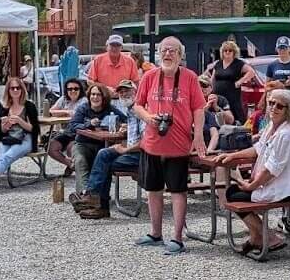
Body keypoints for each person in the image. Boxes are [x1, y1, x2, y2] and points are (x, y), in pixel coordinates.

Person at [132, 36, 207, 255]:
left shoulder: (190, 77)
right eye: (164, 50)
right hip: (152, 143)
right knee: (153, 189)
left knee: (177, 190)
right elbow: (137, 105)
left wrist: (198, 135)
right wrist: (148, 118)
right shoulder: (149, 76)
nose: (167, 54)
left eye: (173, 51)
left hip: (178, 144)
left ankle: (177, 237)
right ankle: (155, 233)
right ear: (158, 54)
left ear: (180, 55)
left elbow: (199, 109)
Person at [213, 88, 290, 258]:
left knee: (234, 194)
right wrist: (232, 155)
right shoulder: (272, 126)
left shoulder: (286, 134)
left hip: (285, 189)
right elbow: (258, 149)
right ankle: (258, 236)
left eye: (280, 106)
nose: (274, 108)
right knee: (234, 192)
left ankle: (267, 237)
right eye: (271, 103)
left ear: (289, 110)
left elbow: (272, 169)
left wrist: (252, 185)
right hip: (274, 183)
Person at [76, 79, 143, 219]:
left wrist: (125, 149)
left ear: (136, 92)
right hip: (129, 150)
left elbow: (147, 141)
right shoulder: (130, 110)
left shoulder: (141, 110)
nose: (124, 94)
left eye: (127, 91)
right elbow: (72, 126)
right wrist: (127, 129)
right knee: (103, 154)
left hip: (143, 155)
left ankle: (98, 203)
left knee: (102, 162)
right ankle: (93, 197)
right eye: (121, 92)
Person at [68, 83, 125, 197]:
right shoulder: (83, 108)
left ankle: (100, 194)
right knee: (80, 160)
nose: (95, 97)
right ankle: (85, 194)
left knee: (104, 158)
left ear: (104, 97)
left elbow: (126, 120)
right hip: (83, 144)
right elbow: (73, 125)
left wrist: (122, 126)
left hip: (102, 144)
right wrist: (89, 124)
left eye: (98, 95)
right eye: (93, 94)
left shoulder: (110, 109)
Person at [201, 39, 260, 123]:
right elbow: (212, 77)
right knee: (216, 114)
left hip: (232, 95)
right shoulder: (218, 64)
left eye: (230, 50)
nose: (227, 52)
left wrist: (240, 82)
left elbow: (251, 72)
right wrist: (210, 87)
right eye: (225, 50)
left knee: (233, 115)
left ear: (234, 52)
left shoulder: (239, 63)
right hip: (218, 94)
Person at [46, 77, 87, 170]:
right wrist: (66, 111)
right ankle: (70, 165)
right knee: (50, 147)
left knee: (71, 149)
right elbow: (51, 111)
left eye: (76, 89)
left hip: (79, 132)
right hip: (66, 132)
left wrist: (64, 112)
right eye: (70, 89)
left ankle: (79, 169)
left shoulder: (84, 101)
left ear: (80, 90)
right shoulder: (63, 99)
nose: (73, 91)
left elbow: (75, 115)